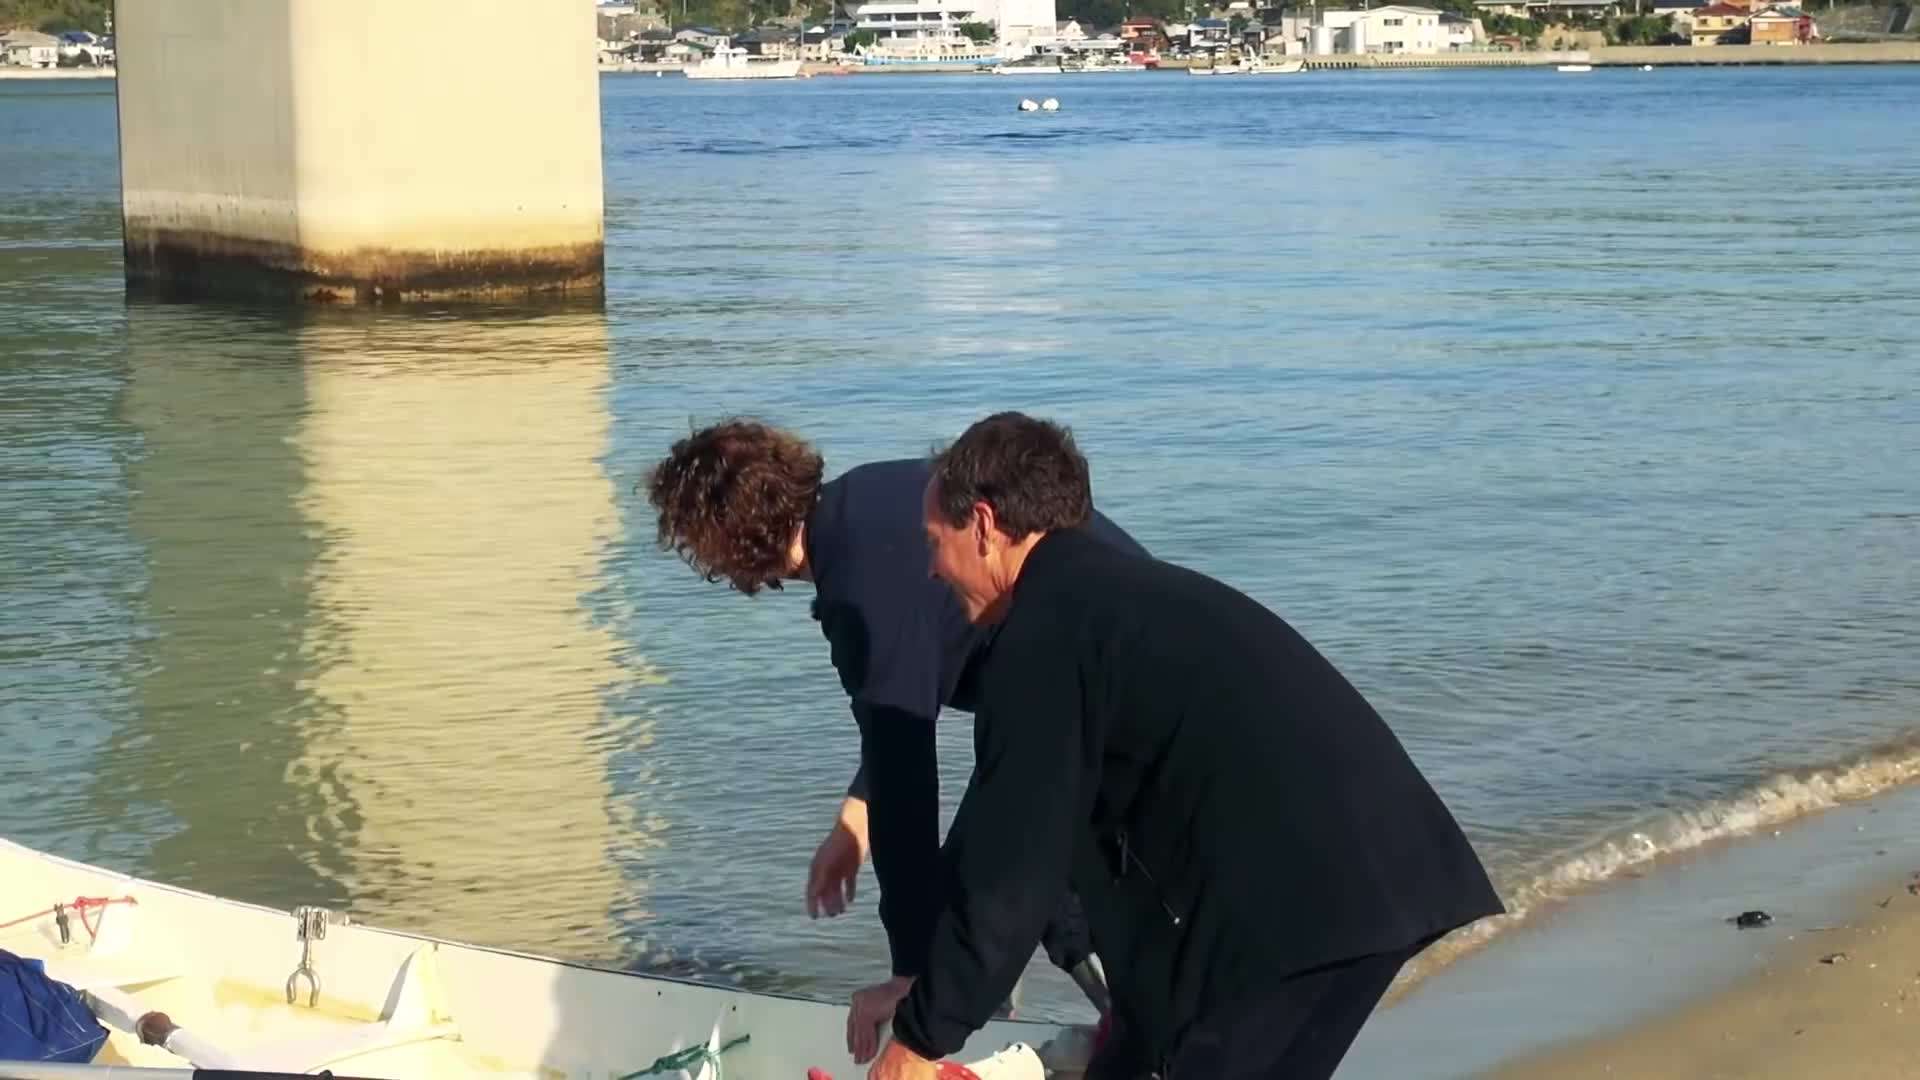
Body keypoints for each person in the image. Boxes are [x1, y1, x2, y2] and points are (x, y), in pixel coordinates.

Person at [864, 412, 1505, 1080]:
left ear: (987, 528)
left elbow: (1010, 879)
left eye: (935, 542)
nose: (933, 570)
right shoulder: (1111, 599)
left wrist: (919, 1041)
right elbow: (1055, 841)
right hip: (1365, 881)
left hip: (1299, 920)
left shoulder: (1043, 640)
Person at [644, 420, 1145, 1051]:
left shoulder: (857, 591)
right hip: (1128, 648)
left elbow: (908, 792)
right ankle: (1091, 1021)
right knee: (1013, 878)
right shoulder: (862, 508)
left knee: (1008, 879)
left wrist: (911, 973)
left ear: (724, 544)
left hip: (1107, 689)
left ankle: (1137, 1036)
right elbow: (900, 713)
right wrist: (855, 821)